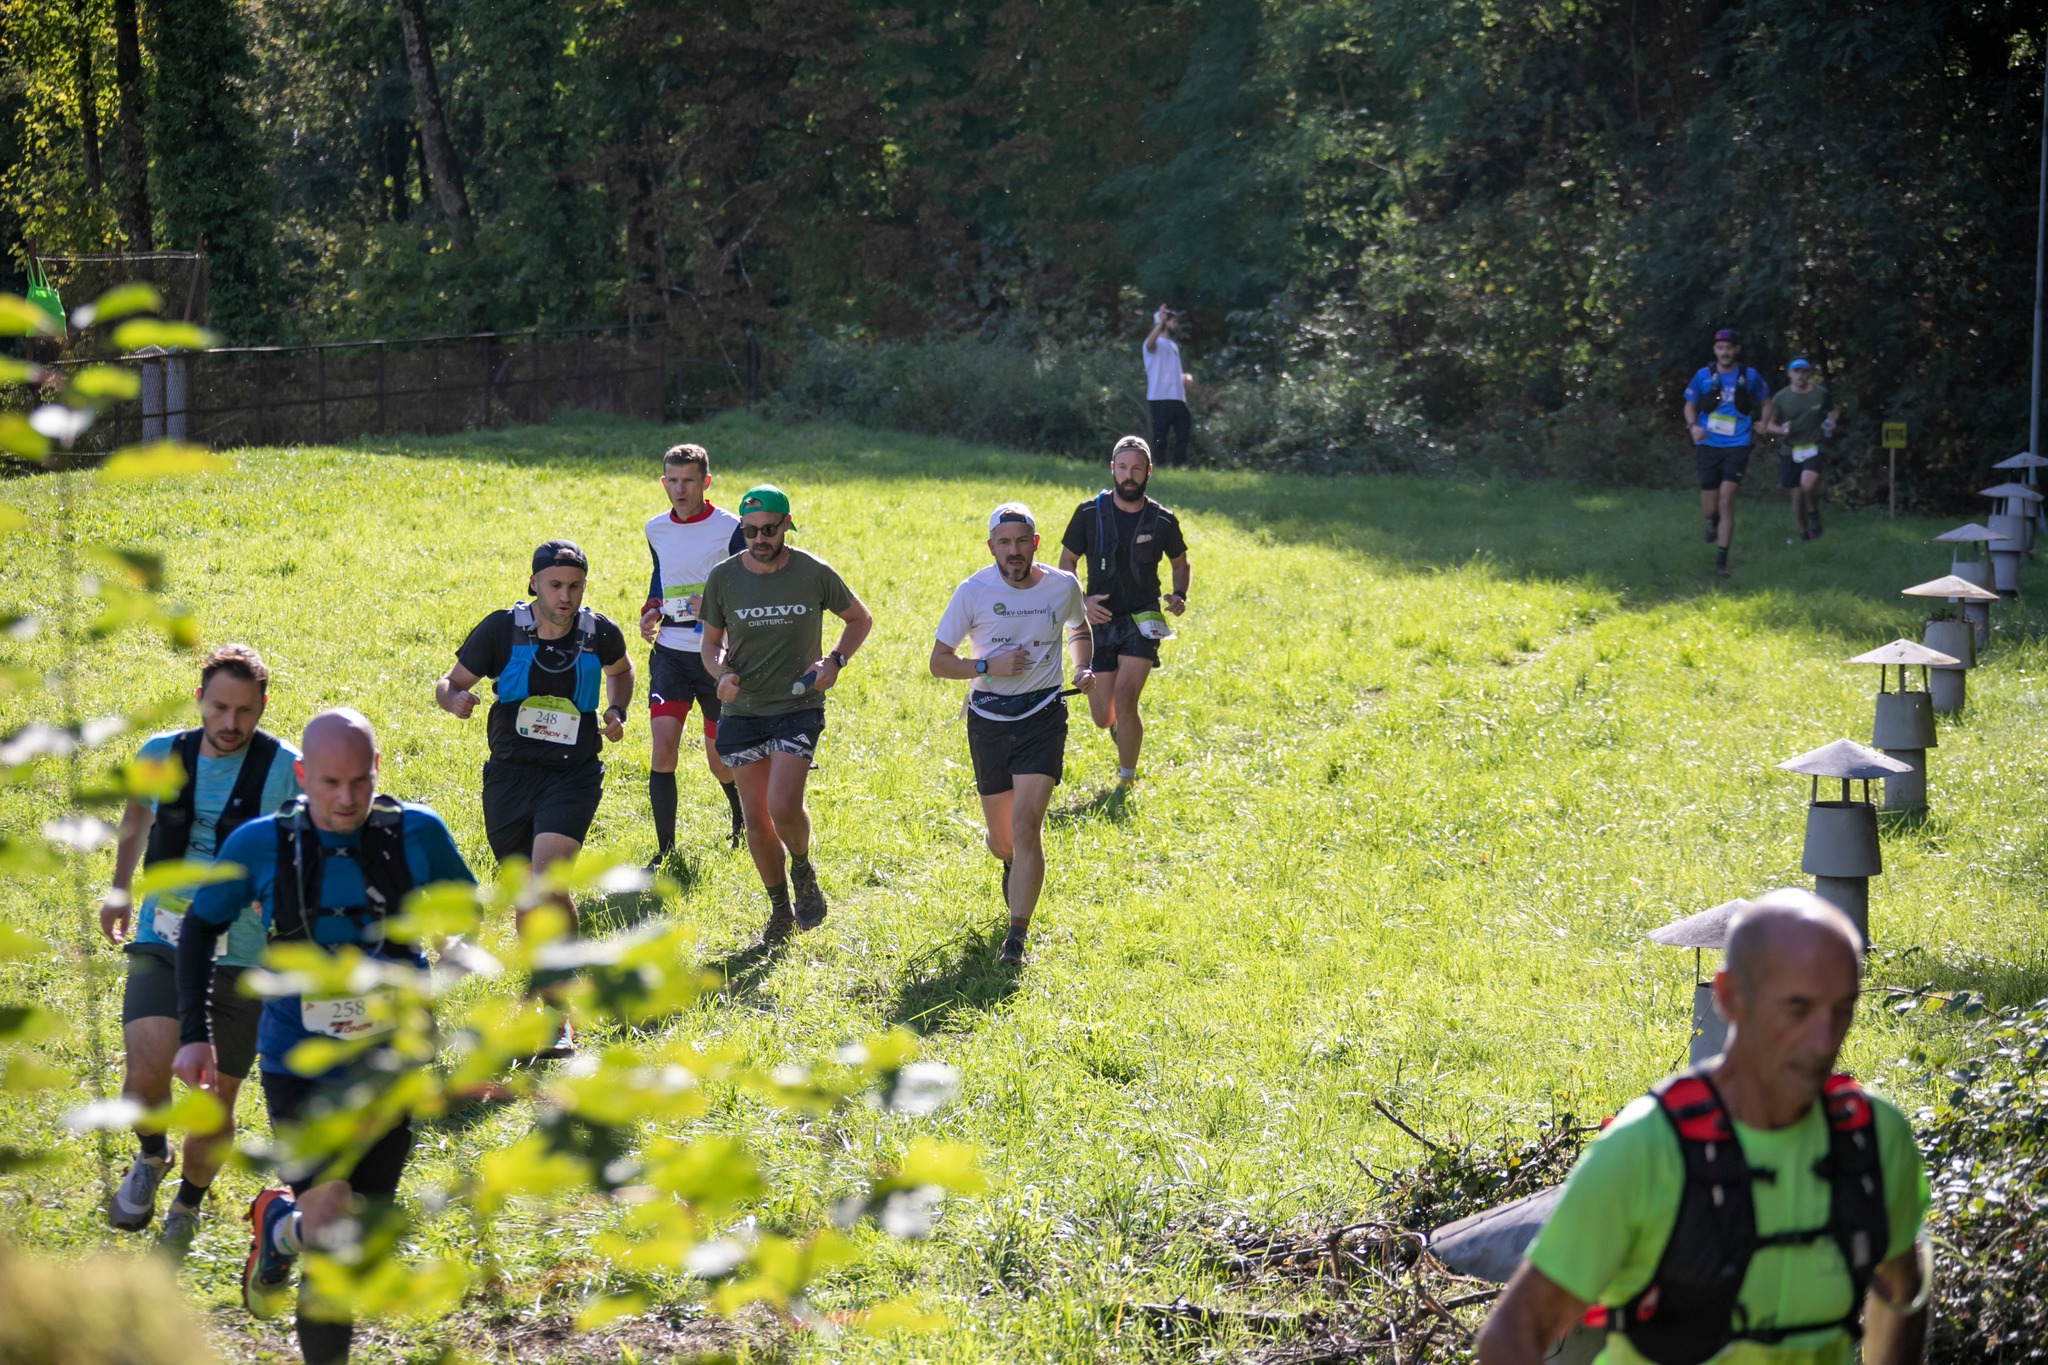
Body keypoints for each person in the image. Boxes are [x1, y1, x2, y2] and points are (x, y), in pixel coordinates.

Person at [1476, 889, 1931, 1365]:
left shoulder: (1874, 1137)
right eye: (1797, 1009)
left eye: (1842, 1009)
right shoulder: (1645, 1149)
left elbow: (1903, 1284)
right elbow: (1512, 1336)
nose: (1824, 1040)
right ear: (1730, 997)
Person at [170, 710, 477, 1365]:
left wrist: (447, 964)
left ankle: (280, 1226)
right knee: (335, 1234)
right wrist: (194, 1032)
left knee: (357, 1232)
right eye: (331, 782)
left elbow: (464, 919)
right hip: (298, 1062)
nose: (346, 799)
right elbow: (199, 929)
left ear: (378, 772)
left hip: (390, 1060)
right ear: (303, 774)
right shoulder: (259, 844)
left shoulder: (415, 833)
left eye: (360, 782)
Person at [97, 644, 301, 1253]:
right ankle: (152, 1155)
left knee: (215, 1106)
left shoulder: (286, 768)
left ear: (263, 706)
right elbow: (137, 813)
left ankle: (186, 1204)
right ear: (200, 701)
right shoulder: (161, 754)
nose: (232, 723)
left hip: (245, 958)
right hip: (166, 938)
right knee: (144, 1074)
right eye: (220, 708)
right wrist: (118, 887)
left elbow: (305, 845)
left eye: (245, 710)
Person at [436, 539, 632, 1056]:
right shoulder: (502, 629)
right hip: (509, 777)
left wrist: (617, 712)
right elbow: (448, 682)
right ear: (534, 583)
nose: (565, 596)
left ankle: (557, 1013)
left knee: (548, 881)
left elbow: (622, 672)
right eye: (555, 585)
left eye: (574, 586)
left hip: (573, 774)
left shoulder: (599, 633)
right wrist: (455, 699)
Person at [699, 485, 873, 943]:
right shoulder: (723, 578)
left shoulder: (812, 572)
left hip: (797, 704)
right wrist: (720, 674)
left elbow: (860, 619)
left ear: (786, 524)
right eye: (750, 530)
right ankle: (780, 909)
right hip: (742, 708)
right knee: (756, 818)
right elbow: (710, 644)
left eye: (769, 530)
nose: (759, 538)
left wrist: (833, 662)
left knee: (781, 806)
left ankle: (801, 866)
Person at [929, 503, 1095, 964]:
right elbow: (938, 661)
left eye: (1022, 541)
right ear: (992, 548)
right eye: (1005, 543)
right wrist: (985, 666)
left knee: (1027, 828)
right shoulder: (973, 591)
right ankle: (1009, 864)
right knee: (1003, 840)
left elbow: (1079, 628)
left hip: (1043, 713)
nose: (1014, 551)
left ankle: (1016, 940)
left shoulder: (1063, 586)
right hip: (989, 720)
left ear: (1035, 544)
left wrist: (1081, 666)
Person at [1058, 436, 1190, 788]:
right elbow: (1067, 563)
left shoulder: (1162, 520)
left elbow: (1181, 563)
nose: (1128, 476)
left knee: (1126, 698)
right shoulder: (1089, 513)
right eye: (1122, 468)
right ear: (1112, 470)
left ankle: (1125, 782)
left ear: (1148, 472)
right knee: (1103, 717)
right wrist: (1082, 602)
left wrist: (1179, 594)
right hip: (1097, 620)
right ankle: (1116, 726)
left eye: (1136, 469)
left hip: (1142, 619)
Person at [639, 443, 747, 863]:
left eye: (689, 481)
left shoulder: (731, 527)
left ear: (706, 482)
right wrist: (651, 609)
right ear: (663, 481)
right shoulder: (655, 528)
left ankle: (741, 823)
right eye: (672, 481)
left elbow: (750, 584)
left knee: (720, 762)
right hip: (670, 654)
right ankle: (664, 851)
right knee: (663, 748)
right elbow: (661, 576)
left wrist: (719, 609)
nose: (679, 490)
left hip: (717, 656)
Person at [1683, 329, 1775, 579]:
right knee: (1710, 506)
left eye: (1729, 348)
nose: (1725, 352)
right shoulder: (1703, 376)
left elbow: (1767, 401)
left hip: (1738, 442)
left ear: (1736, 350)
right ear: (1715, 350)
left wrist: (1764, 424)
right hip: (1708, 444)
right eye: (1720, 348)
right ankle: (1711, 520)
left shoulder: (1749, 376)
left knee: (1727, 499)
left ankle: (1722, 559)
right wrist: (1693, 427)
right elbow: (1689, 405)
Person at [1766, 358, 1840, 543]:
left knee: (1808, 485)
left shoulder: (1820, 393)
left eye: (1804, 371)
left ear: (1809, 373)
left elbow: (1833, 410)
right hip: (1790, 450)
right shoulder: (1781, 397)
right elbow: (1769, 424)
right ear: (1789, 374)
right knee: (1796, 496)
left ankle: (1814, 513)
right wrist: (1780, 429)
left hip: (1814, 446)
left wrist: (1831, 423)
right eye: (1796, 371)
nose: (1800, 375)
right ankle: (1803, 533)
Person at [1143, 304, 1194, 466]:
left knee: (1183, 433)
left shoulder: (1173, 346)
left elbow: (1171, 370)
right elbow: (1149, 345)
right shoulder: (1152, 342)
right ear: (1164, 322)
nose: (1176, 325)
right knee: (1160, 436)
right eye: (1173, 322)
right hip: (1159, 397)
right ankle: (1158, 466)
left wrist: (1185, 377)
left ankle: (1179, 466)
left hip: (1177, 397)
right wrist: (1161, 323)